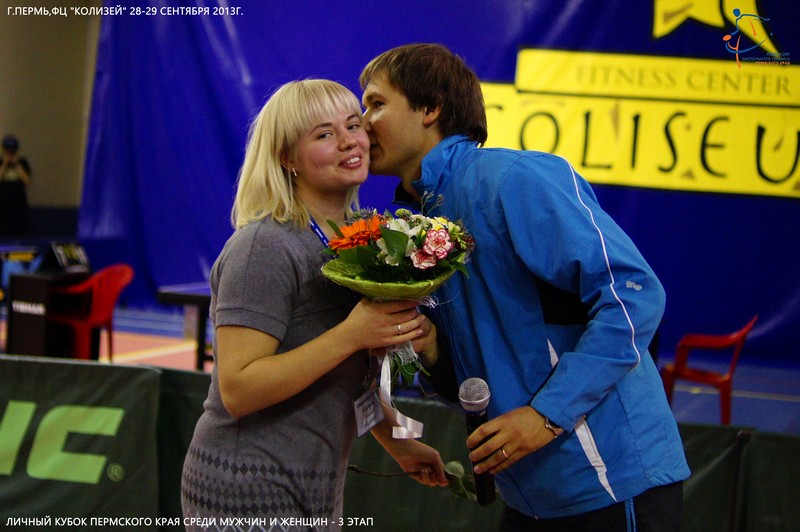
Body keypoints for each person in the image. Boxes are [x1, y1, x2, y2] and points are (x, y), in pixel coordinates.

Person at [360, 44, 690, 531]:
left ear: (430, 108)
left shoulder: (514, 179)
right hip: (530, 496)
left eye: (376, 103)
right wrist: (432, 350)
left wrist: (545, 416)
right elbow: (478, 376)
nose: (362, 121)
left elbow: (634, 295)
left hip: (613, 483)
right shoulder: (417, 223)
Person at [180, 79, 448, 529]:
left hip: (314, 486)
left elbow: (351, 377)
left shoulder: (356, 241)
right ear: (287, 158)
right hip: (245, 487)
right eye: (324, 134)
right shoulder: (263, 246)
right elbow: (239, 390)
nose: (348, 141)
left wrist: (400, 441)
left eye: (353, 125)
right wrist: (351, 335)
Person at [0, 134, 32, 237]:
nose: (10, 153)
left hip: (19, 207)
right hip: (3, 207)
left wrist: (16, 164)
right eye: (7, 151)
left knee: (20, 234)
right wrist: (4, 164)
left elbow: (27, 181)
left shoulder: (23, 163)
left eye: (12, 151)